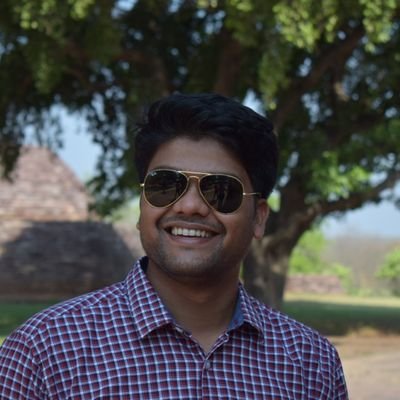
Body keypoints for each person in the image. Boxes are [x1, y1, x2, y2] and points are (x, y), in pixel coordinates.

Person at [0, 93, 348, 399]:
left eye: (220, 191)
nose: (190, 206)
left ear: (258, 218)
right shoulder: (43, 352)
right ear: (143, 204)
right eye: (166, 185)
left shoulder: (311, 363)